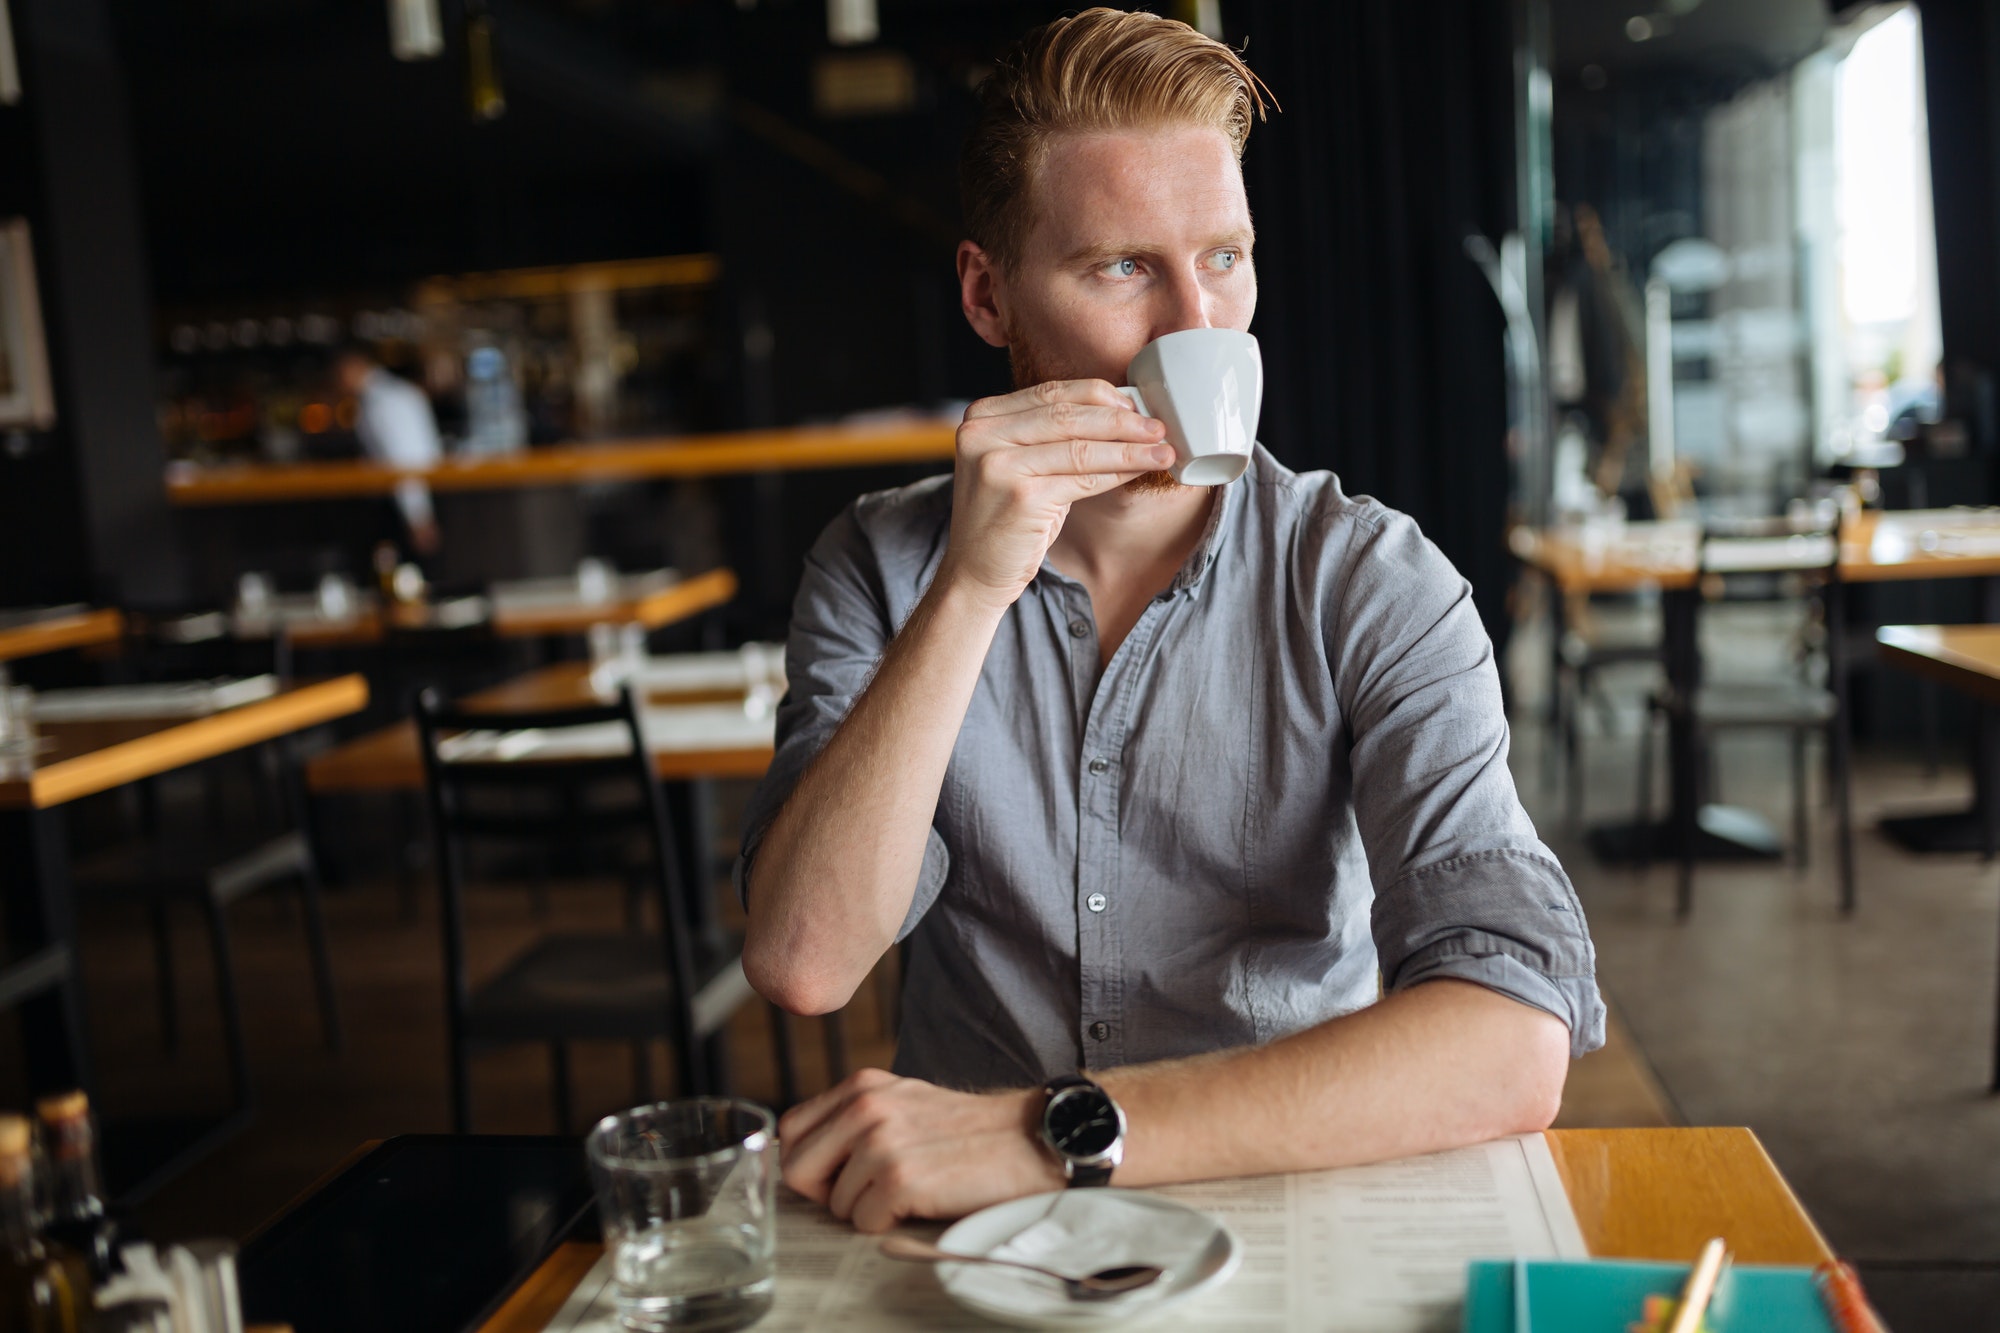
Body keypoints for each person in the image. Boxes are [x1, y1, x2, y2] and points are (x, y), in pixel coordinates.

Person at [737, 8, 1604, 1235]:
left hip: (1283, 1213)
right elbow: (806, 959)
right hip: (978, 1248)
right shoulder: (880, 565)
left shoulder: (1372, 582)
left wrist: (1047, 1129)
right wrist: (972, 587)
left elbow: (1515, 1042)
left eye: (1225, 259)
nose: (1198, 328)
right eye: (1122, 268)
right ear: (988, 295)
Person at [333, 345, 444, 555]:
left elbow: (405, 458)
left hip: (408, 505)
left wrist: (418, 517)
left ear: (353, 366)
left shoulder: (385, 401)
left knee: (410, 576)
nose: (338, 383)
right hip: (408, 500)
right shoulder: (386, 394)